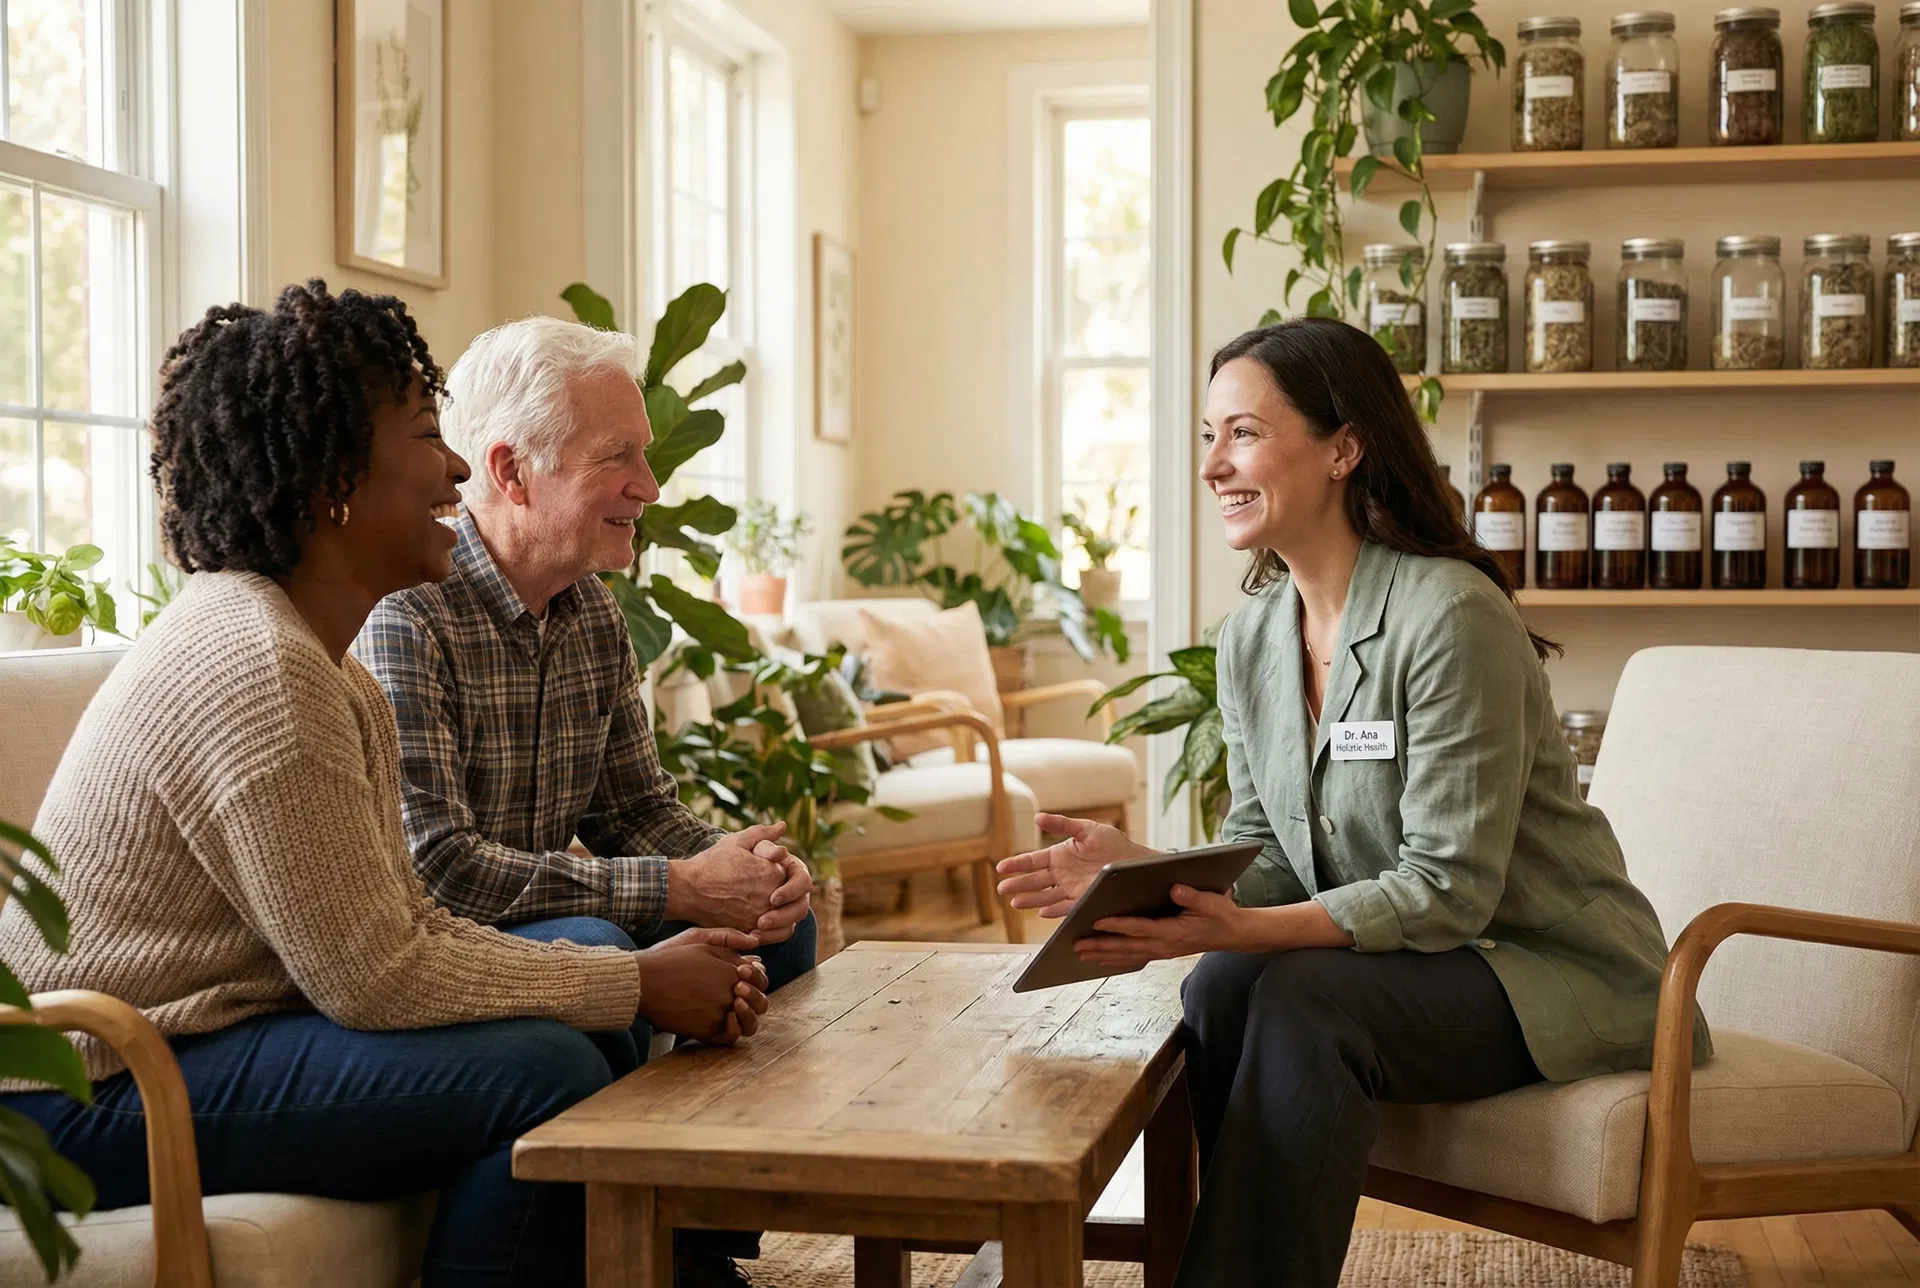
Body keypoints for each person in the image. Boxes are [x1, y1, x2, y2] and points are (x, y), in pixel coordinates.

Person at [0, 281, 769, 1288]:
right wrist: (635, 977)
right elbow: (376, 976)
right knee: (544, 1069)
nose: (456, 465)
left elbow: (403, 927)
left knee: (567, 1038)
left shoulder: (321, 661)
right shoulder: (261, 665)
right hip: (81, 1086)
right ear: (335, 481)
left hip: (209, 1034)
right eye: (423, 435)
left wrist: (625, 979)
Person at [995, 317, 1711, 1287]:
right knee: (1220, 985)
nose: (1213, 466)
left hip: (1550, 970)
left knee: (1300, 994)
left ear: (1344, 446)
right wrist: (1143, 869)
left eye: (1242, 433)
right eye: (1208, 437)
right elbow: (1267, 844)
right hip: (1425, 963)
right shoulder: (1251, 638)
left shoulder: (1449, 614)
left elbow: (1452, 889)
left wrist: (1249, 932)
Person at [350, 314, 814, 1282]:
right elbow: (436, 866)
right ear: (511, 471)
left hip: (537, 914)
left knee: (781, 926)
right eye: (621, 458)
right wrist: (677, 890)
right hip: (450, 940)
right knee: (605, 950)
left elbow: (636, 809)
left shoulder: (594, 612)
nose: (650, 487)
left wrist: (738, 867)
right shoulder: (408, 614)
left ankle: (695, 1237)